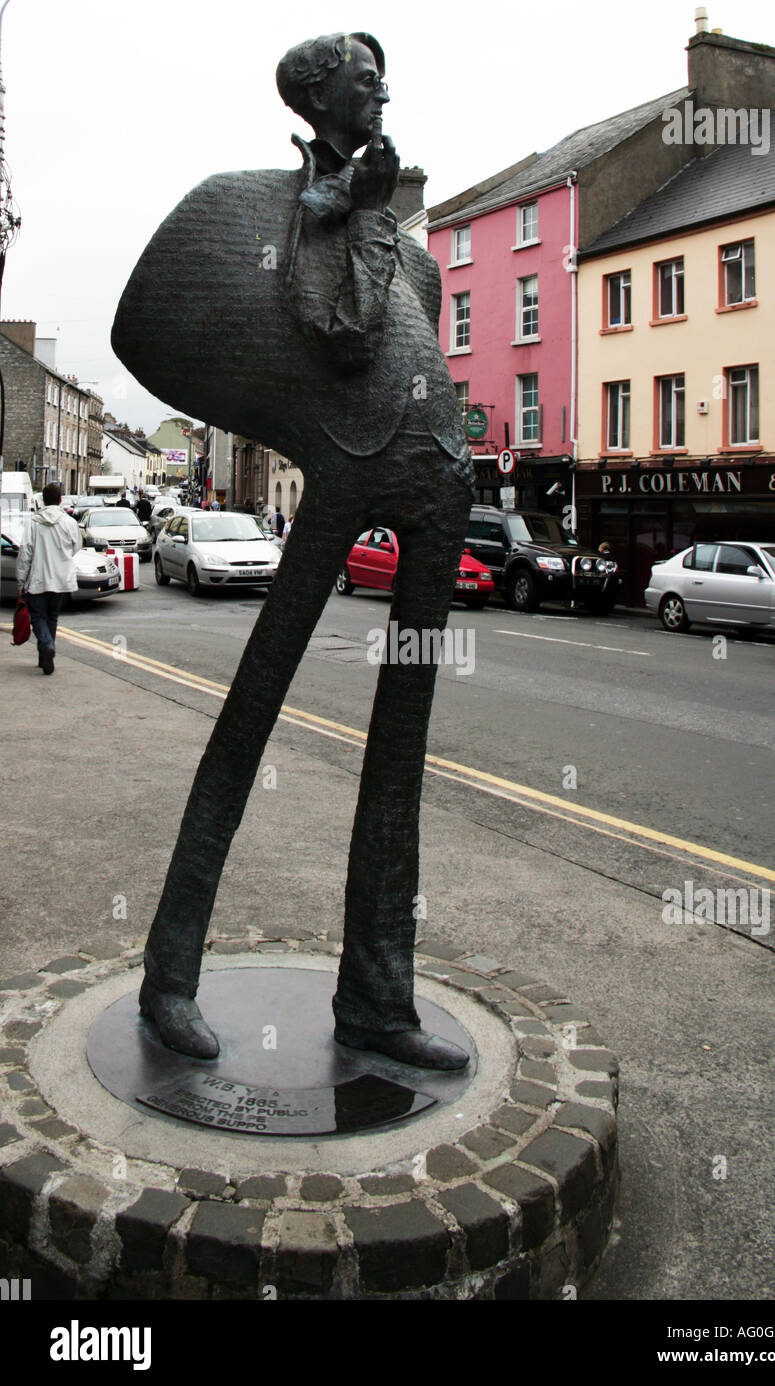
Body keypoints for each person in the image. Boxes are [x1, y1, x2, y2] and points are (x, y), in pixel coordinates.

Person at [113, 31, 474, 1071]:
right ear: (319, 98)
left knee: (400, 751)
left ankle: (376, 997)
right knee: (249, 718)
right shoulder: (277, 209)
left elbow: (410, 338)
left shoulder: (405, 244)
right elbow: (331, 332)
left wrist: (369, 217)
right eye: (365, 79)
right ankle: (170, 976)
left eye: (382, 77)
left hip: (434, 484)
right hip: (343, 473)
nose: (383, 90)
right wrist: (336, 213)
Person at [16, 482, 82, 675]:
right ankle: (45, 654)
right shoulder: (69, 522)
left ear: (43, 500)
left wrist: (21, 581)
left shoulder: (33, 522)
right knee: (52, 617)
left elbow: (25, 553)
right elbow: (76, 546)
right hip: (61, 579)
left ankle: (46, 646)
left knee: (37, 617)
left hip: (38, 578)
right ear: (60, 500)